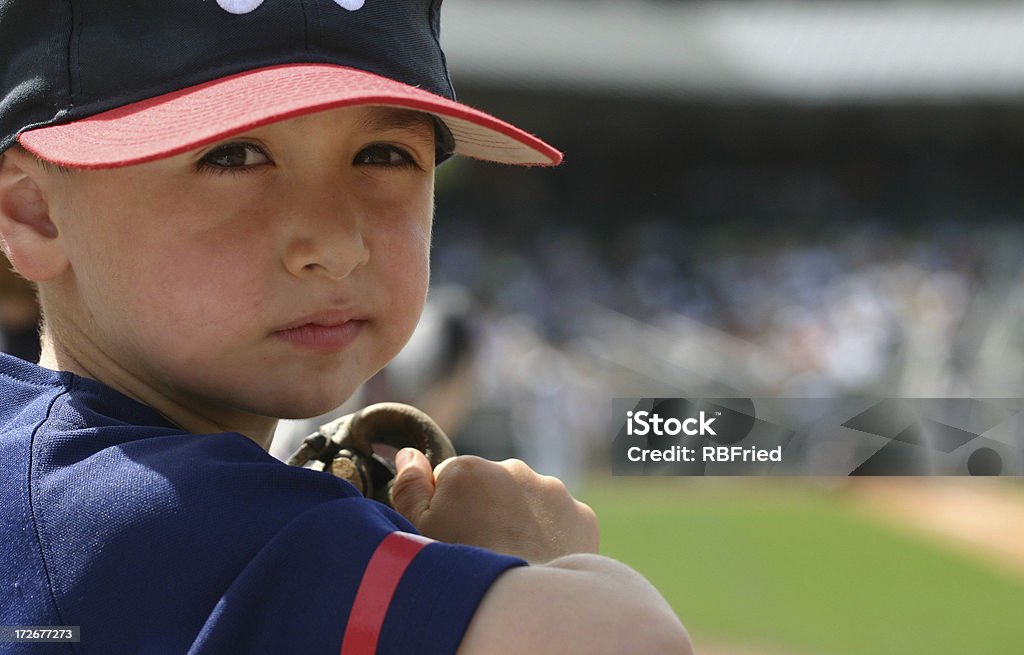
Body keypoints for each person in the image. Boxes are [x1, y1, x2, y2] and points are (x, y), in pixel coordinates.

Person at [0, 1, 692, 653]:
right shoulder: (170, 520)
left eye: (383, 155)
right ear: (35, 212)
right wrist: (533, 556)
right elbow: (632, 640)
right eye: (232, 156)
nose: (336, 243)